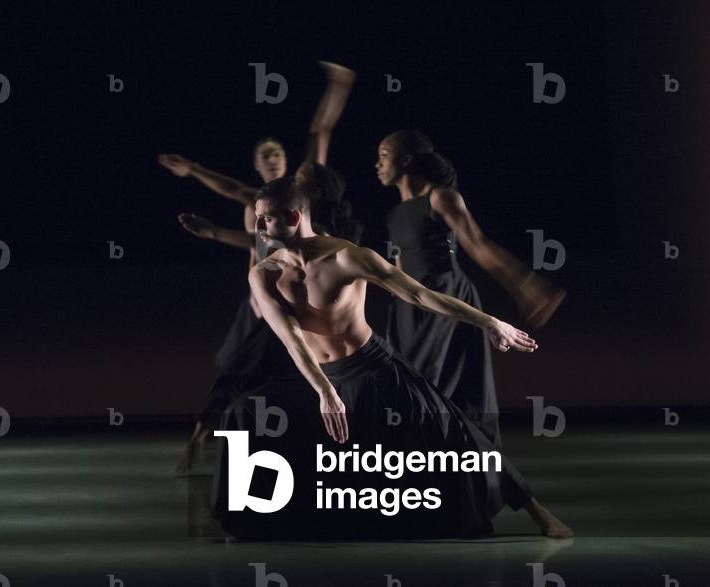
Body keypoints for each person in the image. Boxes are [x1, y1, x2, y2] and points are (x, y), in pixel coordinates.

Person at [211, 176, 572, 540]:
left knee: (454, 430)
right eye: (257, 219)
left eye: (266, 219)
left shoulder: (348, 256)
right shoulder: (264, 274)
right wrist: (324, 390)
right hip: (319, 376)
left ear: (293, 216)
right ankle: (245, 521)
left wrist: (488, 321)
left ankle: (537, 513)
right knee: (241, 414)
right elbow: (291, 338)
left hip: (373, 367)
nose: (257, 228)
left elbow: (419, 295)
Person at [161, 62, 359, 474]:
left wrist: (339, 85)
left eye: (277, 154)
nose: (272, 160)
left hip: (300, 300)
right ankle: (199, 444)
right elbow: (237, 199)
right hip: (261, 303)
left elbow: (319, 134)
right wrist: (211, 223)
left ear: (286, 160)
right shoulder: (261, 202)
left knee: (308, 367)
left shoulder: (302, 196)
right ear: (256, 165)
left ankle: (326, 443)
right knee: (234, 372)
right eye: (264, 156)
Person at [376, 130, 566, 445]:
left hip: (447, 298)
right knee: (408, 389)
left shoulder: (441, 197)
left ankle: (478, 476)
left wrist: (525, 284)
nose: (377, 164)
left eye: (384, 155)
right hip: (412, 306)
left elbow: (477, 246)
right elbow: (397, 269)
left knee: (440, 387)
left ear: (406, 160)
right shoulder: (395, 213)